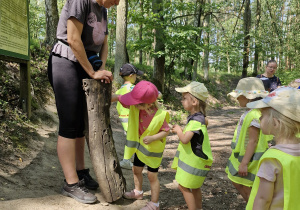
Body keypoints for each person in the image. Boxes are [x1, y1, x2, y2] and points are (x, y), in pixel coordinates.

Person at [47, 0, 119, 204]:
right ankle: (70, 183)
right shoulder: (81, 1)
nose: (119, 2)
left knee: (80, 124)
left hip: (86, 64)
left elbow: (104, 42)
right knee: (69, 124)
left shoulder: (103, 10)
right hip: (66, 62)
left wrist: (101, 69)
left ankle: (80, 172)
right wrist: (93, 72)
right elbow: (73, 38)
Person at [113, 81, 170, 210]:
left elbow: (166, 131)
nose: (133, 104)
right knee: (136, 170)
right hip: (140, 149)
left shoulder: (160, 115)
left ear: (148, 104)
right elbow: (119, 98)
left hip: (152, 152)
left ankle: (154, 203)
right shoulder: (136, 105)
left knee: (152, 176)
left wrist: (153, 138)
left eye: (136, 103)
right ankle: (138, 192)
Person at [246, 87, 300, 209]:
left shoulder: (272, 159)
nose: (259, 118)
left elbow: (263, 199)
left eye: (262, 115)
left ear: (275, 123)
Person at [225, 77, 273, 202]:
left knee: (246, 185)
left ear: (248, 97)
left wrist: (244, 163)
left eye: (239, 95)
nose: (237, 98)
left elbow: (253, 141)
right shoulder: (252, 112)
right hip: (246, 157)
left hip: (250, 160)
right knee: (237, 181)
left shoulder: (254, 115)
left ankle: (253, 205)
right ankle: (252, 204)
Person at [171, 81, 213, 210]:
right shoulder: (200, 118)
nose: (181, 101)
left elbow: (185, 140)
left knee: (183, 186)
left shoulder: (196, 120)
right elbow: (205, 122)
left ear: (194, 102)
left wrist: (178, 129)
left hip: (194, 162)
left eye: (184, 98)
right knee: (195, 187)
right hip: (197, 162)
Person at [115, 63, 144, 169]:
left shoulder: (121, 89)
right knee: (133, 139)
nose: (137, 78)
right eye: (136, 75)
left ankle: (128, 159)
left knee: (130, 138)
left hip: (123, 118)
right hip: (130, 118)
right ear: (131, 75)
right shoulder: (132, 88)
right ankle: (127, 160)